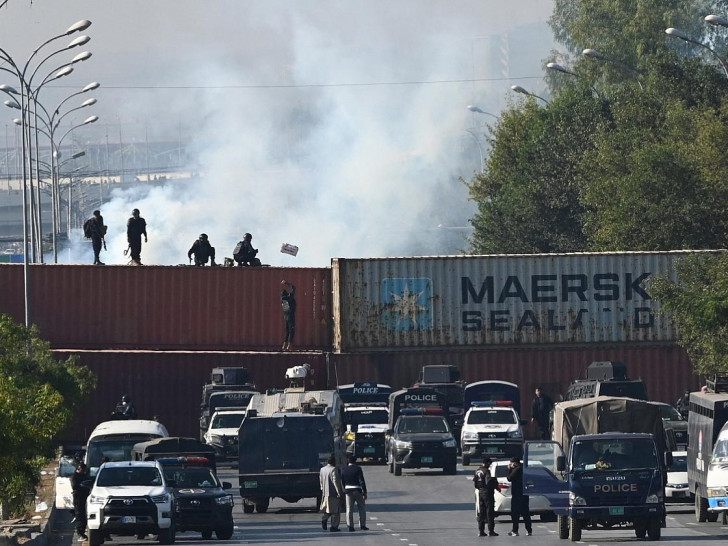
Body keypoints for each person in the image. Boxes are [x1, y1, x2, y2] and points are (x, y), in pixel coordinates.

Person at [341, 453, 368, 532]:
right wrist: (364, 492)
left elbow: (342, 481)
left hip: (348, 490)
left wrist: (344, 489)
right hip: (357, 489)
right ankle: (362, 525)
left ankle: (350, 526)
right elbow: (361, 481)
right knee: (361, 508)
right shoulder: (358, 469)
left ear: (348, 460)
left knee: (349, 509)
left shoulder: (344, 469)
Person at [507, 457, 532, 536]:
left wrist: (510, 469)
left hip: (517, 495)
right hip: (524, 494)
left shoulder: (517, 469)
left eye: (511, 463)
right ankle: (529, 530)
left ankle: (515, 530)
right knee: (526, 513)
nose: (510, 465)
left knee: (515, 513)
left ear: (514, 463)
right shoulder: (524, 468)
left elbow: (509, 478)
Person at [474, 457, 498, 537]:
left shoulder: (477, 470)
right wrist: (494, 482)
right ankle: (491, 531)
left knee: (482, 512)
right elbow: (488, 482)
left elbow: (475, 483)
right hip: (487, 492)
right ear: (487, 463)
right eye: (489, 464)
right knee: (489, 512)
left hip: (480, 492)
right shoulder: (486, 471)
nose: (490, 465)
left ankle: (481, 531)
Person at [319, 455, 343, 532]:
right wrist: (339, 492)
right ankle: (334, 526)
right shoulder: (333, 469)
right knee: (335, 511)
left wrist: (322, 488)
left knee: (328, 509)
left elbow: (321, 480)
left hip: (325, 493)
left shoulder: (322, 469)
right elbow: (335, 481)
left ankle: (324, 518)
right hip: (333, 493)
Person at [71, 462, 91, 541]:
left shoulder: (84, 476)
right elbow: (74, 486)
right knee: (80, 515)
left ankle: (82, 532)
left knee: (85, 516)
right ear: (78, 468)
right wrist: (82, 486)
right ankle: (80, 533)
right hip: (78, 498)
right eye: (82, 469)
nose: (83, 471)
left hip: (85, 498)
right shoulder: (74, 476)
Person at [281, 280, 296, 351]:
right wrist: (286, 283)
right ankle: (289, 346)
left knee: (287, 332)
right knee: (291, 331)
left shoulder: (283, 300)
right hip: (291, 317)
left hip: (286, 317)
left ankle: (284, 345)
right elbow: (294, 288)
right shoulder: (289, 298)